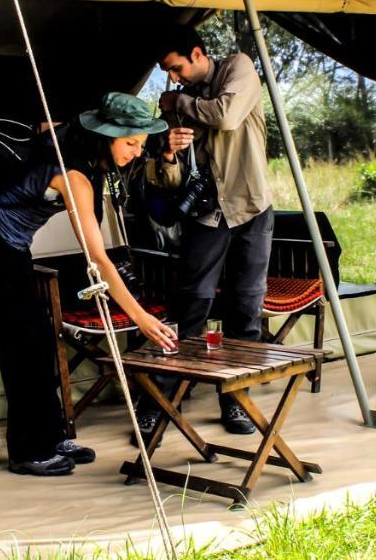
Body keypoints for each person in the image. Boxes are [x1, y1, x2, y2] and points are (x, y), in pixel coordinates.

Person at [0, 92, 177, 476]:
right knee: (23, 342)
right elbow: (97, 257)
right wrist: (141, 317)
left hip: (13, 245)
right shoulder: (74, 175)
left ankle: (51, 436)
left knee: (44, 337)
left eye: (141, 144)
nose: (135, 152)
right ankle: (28, 451)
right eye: (130, 142)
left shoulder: (84, 151)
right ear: (106, 136)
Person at [138, 25, 274, 441]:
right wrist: (169, 149)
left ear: (197, 53)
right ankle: (161, 402)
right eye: (167, 73)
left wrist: (177, 102)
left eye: (176, 68)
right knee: (189, 308)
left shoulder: (238, 67)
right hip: (205, 215)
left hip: (250, 207)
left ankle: (236, 403)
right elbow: (169, 180)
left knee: (245, 312)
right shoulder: (177, 106)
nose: (172, 78)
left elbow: (228, 116)